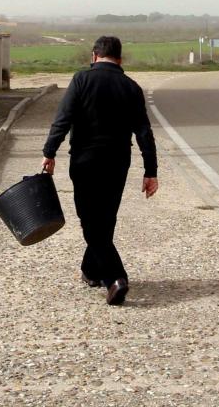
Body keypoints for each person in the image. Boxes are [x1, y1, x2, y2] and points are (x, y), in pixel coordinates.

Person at [41, 35, 159, 306]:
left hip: (85, 161)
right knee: (104, 219)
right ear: (120, 58)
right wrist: (150, 171)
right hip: (118, 162)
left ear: (94, 56)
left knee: (90, 221)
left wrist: (49, 152)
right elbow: (144, 132)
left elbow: (63, 119)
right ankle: (90, 270)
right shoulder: (131, 87)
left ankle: (115, 278)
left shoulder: (81, 80)